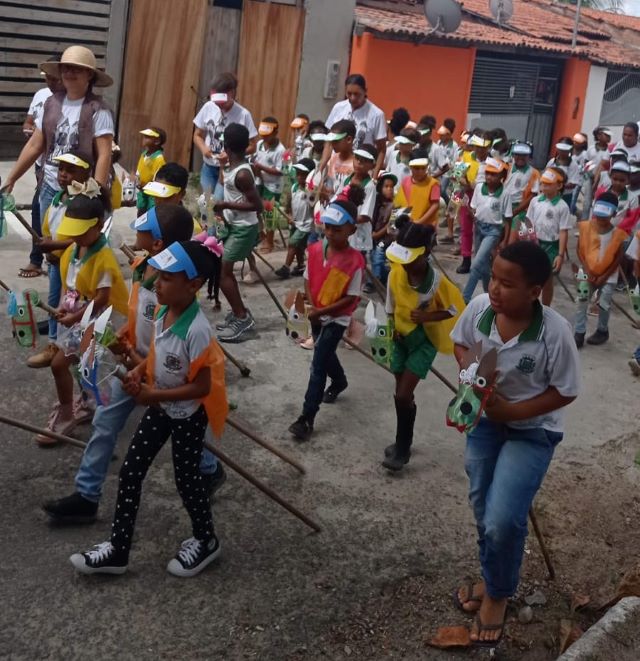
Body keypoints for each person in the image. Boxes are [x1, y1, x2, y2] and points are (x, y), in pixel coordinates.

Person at [42, 205, 227, 522]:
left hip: (167, 371)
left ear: (156, 243)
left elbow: (172, 347)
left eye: (142, 229)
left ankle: (210, 469)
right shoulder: (143, 269)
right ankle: (87, 496)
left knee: (190, 427)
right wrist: (125, 341)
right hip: (136, 367)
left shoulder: (175, 290)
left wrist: (144, 365)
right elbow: (137, 318)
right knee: (104, 423)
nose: (135, 233)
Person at [69, 239, 229, 577]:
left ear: (194, 285)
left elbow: (202, 387)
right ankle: (118, 549)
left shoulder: (198, 331)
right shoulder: (161, 310)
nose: (155, 283)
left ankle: (206, 540)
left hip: (186, 417)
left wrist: (151, 396)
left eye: (167, 278)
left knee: (187, 481)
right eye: (158, 274)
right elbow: (155, 354)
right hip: (159, 408)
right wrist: (139, 374)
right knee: (130, 472)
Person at [450, 241, 579, 647]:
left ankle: (498, 594)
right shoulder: (479, 311)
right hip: (484, 423)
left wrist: (514, 413)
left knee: (503, 519)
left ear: (535, 290)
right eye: (493, 278)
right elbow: (459, 342)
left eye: (508, 283)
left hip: (533, 430)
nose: (495, 290)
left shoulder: (554, 332)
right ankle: (493, 577)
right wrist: (473, 373)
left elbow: (566, 390)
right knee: (483, 507)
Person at [3, 46, 114, 278]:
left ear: (89, 75)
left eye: (77, 69)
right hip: (50, 187)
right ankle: (59, 306)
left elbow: (104, 154)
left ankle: (73, 299)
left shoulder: (97, 109)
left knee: (76, 247)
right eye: (65, 68)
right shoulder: (51, 104)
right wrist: (12, 177)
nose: (69, 73)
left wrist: (97, 192)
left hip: (80, 190)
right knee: (53, 250)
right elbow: (36, 145)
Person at [35, 185, 128, 443]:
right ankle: (87, 404)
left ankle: (71, 416)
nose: (75, 238)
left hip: (101, 322)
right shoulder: (75, 249)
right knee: (84, 368)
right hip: (82, 319)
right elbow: (73, 287)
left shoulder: (105, 258)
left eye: (81, 232)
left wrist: (74, 318)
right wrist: (66, 306)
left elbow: (102, 299)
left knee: (75, 366)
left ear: (98, 226)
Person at [382, 219, 463, 471]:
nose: (404, 265)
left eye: (409, 260)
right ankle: (402, 439)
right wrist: (392, 328)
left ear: (426, 253)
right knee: (401, 396)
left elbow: (453, 309)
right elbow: (391, 303)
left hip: (423, 342)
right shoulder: (396, 272)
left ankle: (403, 449)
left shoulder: (437, 283)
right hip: (400, 339)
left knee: (403, 394)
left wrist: (428, 316)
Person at [288, 187, 366, 441]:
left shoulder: (355, 262)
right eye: (328, 227)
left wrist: (323, 312)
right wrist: (312, 308)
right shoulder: (313, 251)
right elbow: (308, 280)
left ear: (352, 230)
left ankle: (306, 417)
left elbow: (351, 298)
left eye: (337, 229)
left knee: (318, 364)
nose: (330, 233)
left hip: (337, 318)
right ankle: (341, 381)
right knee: (325, 351)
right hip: (317, 313)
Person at [27, 150, 93, 368]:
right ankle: (58, 344)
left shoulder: (83, 204)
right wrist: (47, 243)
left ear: (86, 173)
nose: (63, 174)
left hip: (72, 266)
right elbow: (50, 228)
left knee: (65, 304)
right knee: (57, 303)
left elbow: (80, 239)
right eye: (61, 169)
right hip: (55, 262)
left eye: (71, 170)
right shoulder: (57, 197)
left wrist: (53, 246)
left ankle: (60, 346)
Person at [214, 123, 264, 343]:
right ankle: (237, 313)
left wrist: (225, 204)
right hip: (235, 226)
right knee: (222, 270)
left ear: (226, 145)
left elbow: (258, 206)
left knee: (224, 272)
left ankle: (243, 319)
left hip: (244, 228)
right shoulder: (233, 167)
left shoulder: (243, 174)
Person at [20, 55, 63, 279]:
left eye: (53, 77)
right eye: (46, 78)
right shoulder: (42, 97)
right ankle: (38, 259)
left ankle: (49, 259)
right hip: (43, 167)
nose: (49, 82)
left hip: (63, 173)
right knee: (39, 213)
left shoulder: (87, 106)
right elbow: (31, 126)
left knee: (55, 221)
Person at [574, 192, 627, 347]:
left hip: (608, 275)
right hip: (587, 271)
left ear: (613, 214)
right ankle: (579, 332)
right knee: (582, 300)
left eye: (605, 216)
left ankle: (602, 330)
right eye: (598, 215)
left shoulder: (618, 234)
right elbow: (579, 250)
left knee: (604, 303)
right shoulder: (585, 227)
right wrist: (587, 271)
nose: (601, 219)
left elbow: (618, 258)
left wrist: (604, 276)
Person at [192, 72, 257, 197]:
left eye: (222, 102)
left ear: (232, 93)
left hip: (229, 169)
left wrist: (230, 155)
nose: (219, 105)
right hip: (208, 167)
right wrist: (204, 148)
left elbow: (252, 146)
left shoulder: (243, 115)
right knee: (206, 204)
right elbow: (197, 135)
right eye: (216, 102)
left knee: (217, 204)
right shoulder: (208, 107)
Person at [462, 158, 512, 303]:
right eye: (488, 173)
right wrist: (470, 212)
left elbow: (507, 219)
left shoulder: (505, 194)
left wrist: (505, 240)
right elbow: (473, 207)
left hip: (494, 231)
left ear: (502, 177)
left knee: (476, 263)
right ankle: (487, 293)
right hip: (479, 228)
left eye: (493, 174)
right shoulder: (479, 188)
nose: (489, 177)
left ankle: (465, 297)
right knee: (483, 265)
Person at [321, 74, 387, 176]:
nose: (352, 98)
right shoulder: (339, 108)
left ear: (365, 91)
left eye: (357, 94)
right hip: (335, 167)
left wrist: (375, 175)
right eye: (349, 94)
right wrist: (322, 165)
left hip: (360, 170)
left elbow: (381, 149)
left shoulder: (376, 114)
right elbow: (329, 142)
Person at [524, 167, 572, 305]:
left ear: (559, 185)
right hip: (534, 243)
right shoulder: (535, 201)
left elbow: (563, 231)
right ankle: (528, 305)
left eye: (548, 184)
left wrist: (560, 255)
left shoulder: (562, 207)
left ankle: (546, 308)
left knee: (547, 280)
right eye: (542, 183)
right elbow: (528, 221)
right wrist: (529, 238)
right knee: (530, 276)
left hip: (552, 246)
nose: (544, 186)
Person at [457, 133, 491, 274]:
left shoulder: (492, 162)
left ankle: (482, 260)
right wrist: (463, 182)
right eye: (477, 147)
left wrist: (473, 184)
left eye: (483, 147)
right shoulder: (465, 157)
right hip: (467, 195)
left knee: (482, 229)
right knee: (466, 228)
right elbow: (457, 174)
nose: (480, 150)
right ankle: (466, 259)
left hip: (485, 198)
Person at [275, 158, 315, 279]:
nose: (300, 176)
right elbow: (290, 202)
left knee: (292, 243)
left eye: (303, 174)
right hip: (295, 222)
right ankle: (300, 265)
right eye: (298, 173)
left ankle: (286, 268)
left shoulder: (309, 191)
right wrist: (289, 215)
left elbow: (313, 207)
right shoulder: (294, 188)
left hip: (306, 224)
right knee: (298, 247)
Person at [253, 116, 286, 254]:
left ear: (275, 132)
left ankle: (270, 241)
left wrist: (261, 167)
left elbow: (280, 171)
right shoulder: (260, 144)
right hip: (259, 181)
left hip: (273, 186)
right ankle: (261, 235)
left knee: (270, 214)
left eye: (268, 135)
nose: (265, 138)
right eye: (263, 135)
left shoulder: (280, 150)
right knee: (254, 209)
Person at [393, 148, 441, 226]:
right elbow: (398, 203)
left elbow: (435, 205)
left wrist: (419, 222)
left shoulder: (433, 183)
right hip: (407, 226)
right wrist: (393, 224)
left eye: (423, 168)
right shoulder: (406, 181)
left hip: (425, 228)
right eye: (417, 168)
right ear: (410, 167)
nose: (420, 171)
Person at [503, 142, 539, 234]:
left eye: (524, 155)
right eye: (517, 154)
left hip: (520, 209)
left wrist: (515, 211)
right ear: (513, 155)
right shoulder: (506, 168)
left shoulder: (534, 173)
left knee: (512, 239)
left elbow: (533, 195)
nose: (520, 157)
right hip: (503, 205)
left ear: (528, 156)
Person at [371, 171, 397, 285]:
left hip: (386, 239)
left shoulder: (395, 205)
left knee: (378, 254)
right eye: (386, 186)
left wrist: (377, 235)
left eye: (391, 187)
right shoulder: (375, 202)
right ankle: (384, 276)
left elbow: (391, 226)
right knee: (374, 258)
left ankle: (373, 282)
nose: (390, 189)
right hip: (374, 236)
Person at [135, 127, 167, 216]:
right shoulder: (144, 154)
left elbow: (157, 178)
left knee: (150, 212)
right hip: (142, 190)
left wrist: (146, 186)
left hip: (152, 193)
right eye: (144, 136)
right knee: (141, 210)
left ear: (157, 141)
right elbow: (139, 169)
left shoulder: (159, 159)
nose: (144, 139)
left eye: (147, 137)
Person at [325, 119, 356, 195]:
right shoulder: (333, 159)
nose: (332, 144)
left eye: (336, 141)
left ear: (349, 139)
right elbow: (331, 184)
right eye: (331, 141)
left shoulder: (358, 163)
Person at [546, 140, 579, 207]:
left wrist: (558, 186)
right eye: (560, 150)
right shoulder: (552, 162)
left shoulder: (573, 165)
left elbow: (573, 184)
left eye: (564, 150)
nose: (562, 152)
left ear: (570, 150)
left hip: (565, 196)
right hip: (550, 194)